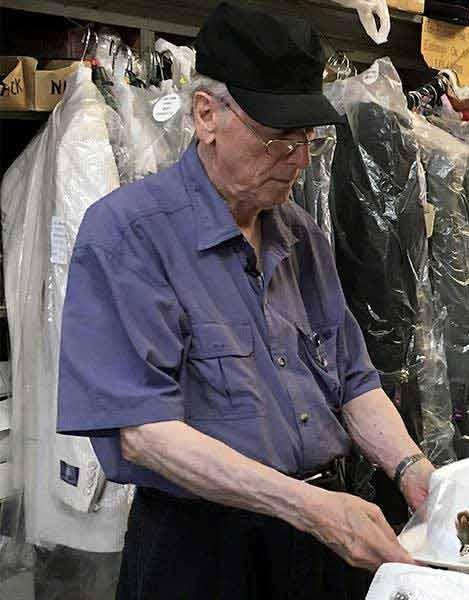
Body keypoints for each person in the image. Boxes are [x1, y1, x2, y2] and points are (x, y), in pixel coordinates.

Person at [56, 4, 433, 599]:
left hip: (319, 538)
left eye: (307, 138)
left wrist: (413, 470)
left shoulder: (302, 236)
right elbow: (143, 432)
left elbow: (353, 382)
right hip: (205, 551)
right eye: (278, 138)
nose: (300, 160)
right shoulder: (129, 234)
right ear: (207, 115)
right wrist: (308, 507)